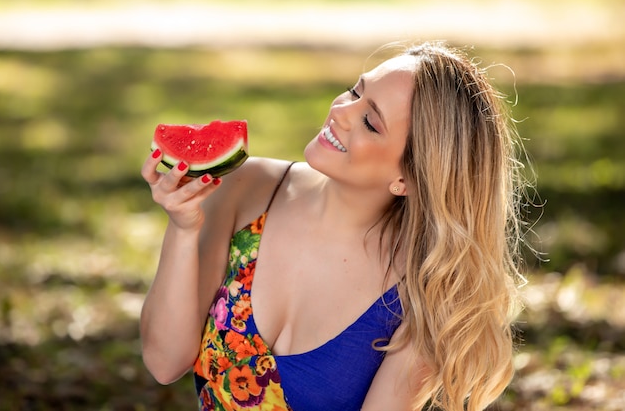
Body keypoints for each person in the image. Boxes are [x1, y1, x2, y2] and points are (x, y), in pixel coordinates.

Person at [140, 41, 529, 411]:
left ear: (408, 179)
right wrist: (184, 228)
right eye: (354, 91)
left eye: (370, 122)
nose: (341, 111)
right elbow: (165, 362)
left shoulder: (422, 295)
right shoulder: (248, 187)